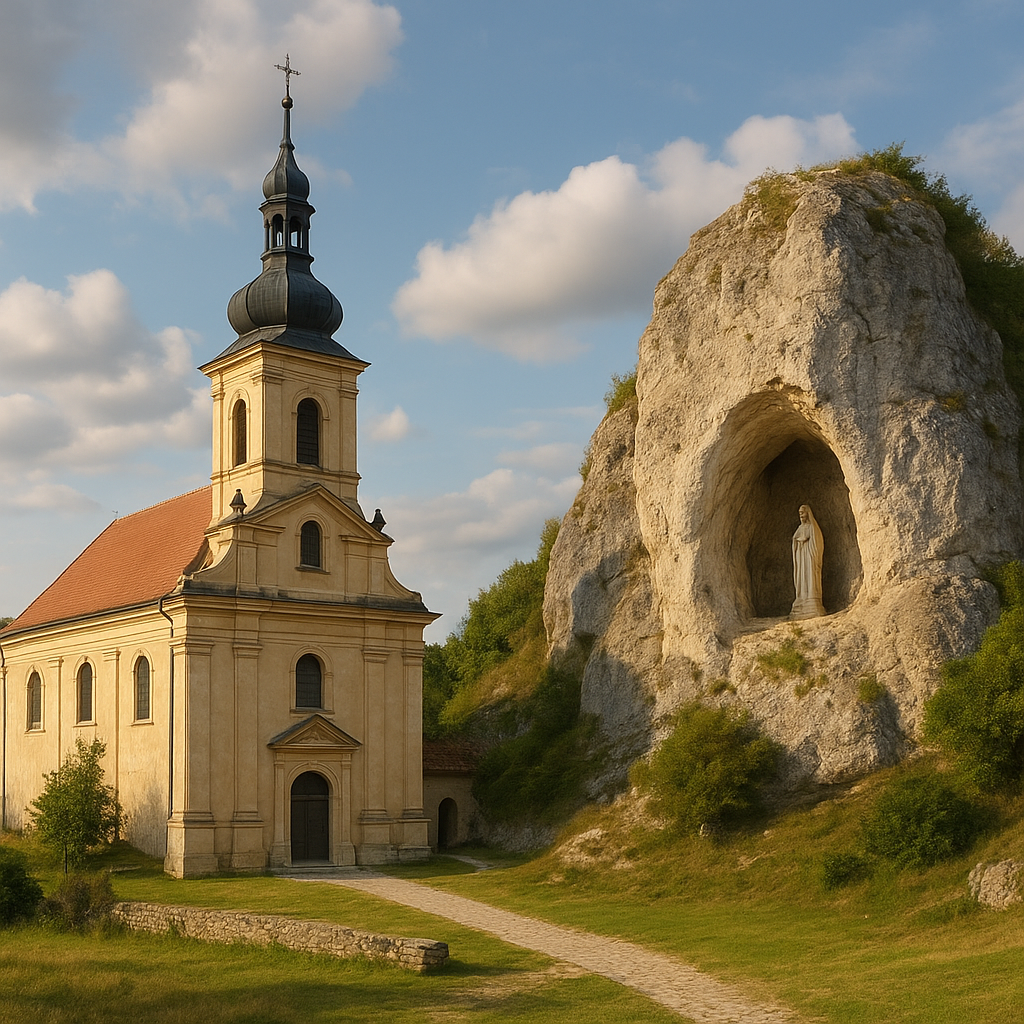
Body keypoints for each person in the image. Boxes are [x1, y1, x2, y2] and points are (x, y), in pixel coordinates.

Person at [791, 504, 825, 619]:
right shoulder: (800, 528)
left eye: (803, 512)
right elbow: (795, 539)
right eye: (799, 513)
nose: (801, 515)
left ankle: (812, 600)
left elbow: (817, 541)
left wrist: (807, 543)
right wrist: (797, 542)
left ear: (808, 513)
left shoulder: (812, 527)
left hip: (809, 557)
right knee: (802, 577)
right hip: (801, 557)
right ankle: (801, 598)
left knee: (810, 576)